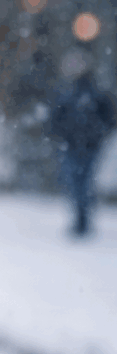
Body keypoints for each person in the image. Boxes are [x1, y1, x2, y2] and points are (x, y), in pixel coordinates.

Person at [46, 56, 115, 237]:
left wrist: (97, 133)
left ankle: (83, 219)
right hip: (74, 145)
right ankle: (81, 218)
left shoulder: (93, 93)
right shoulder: (70, 92)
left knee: (82, 183)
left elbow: (109, 118)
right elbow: (55, 119)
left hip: (86, 146)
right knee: (78, 183)